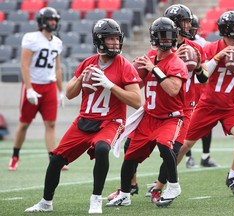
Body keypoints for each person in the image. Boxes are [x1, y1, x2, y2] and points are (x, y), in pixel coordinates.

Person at [24, 18, 142, 214]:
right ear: (99, 40)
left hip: (110, 121)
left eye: (116, 38)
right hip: (84, 120)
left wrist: (110, 85)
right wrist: (80, 78)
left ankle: (96, 199)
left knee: (103, 148)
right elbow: (70, 93)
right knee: (55, 159)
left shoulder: (124, 66)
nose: (115, 43)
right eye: (110, 39)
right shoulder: (88, 63)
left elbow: (137, 101)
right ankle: (46, 202)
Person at [107, 4, 209, 204]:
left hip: (181, 106)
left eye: (189, 21)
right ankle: (130, 186)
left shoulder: (194, 49)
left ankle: (160, 187)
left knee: (171, 148)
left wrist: (196, 65)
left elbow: (204, 78)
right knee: (131, 146)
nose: (189, 25)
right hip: (155, 108)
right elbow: (141, 80)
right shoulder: (154, 52)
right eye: (186, 21)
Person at [177, 10, 234, 197]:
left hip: (232, 106)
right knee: (182, 146)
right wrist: (218, 57)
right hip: (208, 104)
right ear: (227, 29)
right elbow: (201, 78)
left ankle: (232, 177)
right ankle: (163, 181)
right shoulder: (210, 48)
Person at [8, 7, 67, 171]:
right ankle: (14, 156)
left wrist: (61, 91)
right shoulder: (31, 38)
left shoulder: (57, 42)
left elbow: (57, 69)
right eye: (50, 19)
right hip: (33, 84)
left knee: (51, 124)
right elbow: (24, 65)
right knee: (24, 123)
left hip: (49, 86)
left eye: (55, 19)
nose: (53, 22)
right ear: (42, 21)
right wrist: (29, 89)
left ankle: (53, 158)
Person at [185, 14, 218, 169]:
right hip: (185, 85)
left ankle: (205, 155)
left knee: (207, 121)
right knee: (185, 121)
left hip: (201, 84)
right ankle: (188, 156)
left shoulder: (203, 43)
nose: (190, 31)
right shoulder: (176, 43)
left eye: (193, 28)